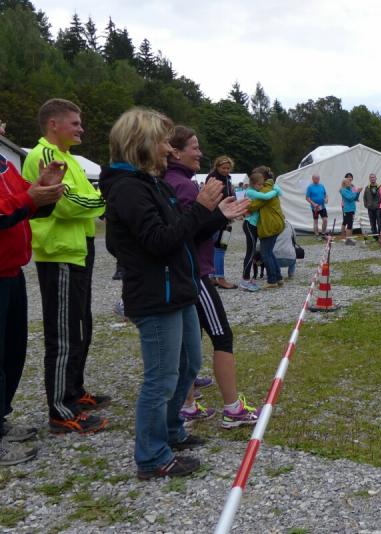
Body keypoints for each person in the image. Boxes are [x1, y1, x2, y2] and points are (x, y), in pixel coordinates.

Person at [98, 107, 248, 479]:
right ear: (143, 143)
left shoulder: (152, 183)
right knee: (161, 378)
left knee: (188, 366)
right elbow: (159, 240)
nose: (168, 148)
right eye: (163, 141)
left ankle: (170, 431)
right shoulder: (129, 189)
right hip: (156, 296)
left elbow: (182, 231)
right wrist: (201, 208)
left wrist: (214, 214)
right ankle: (151, 457)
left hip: (177, 290)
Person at [0, 93, 66, 466]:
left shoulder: (0, 163)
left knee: (11, 353)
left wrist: (44, 193)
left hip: (10, 273)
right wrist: (30, 200)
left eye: (0, 124)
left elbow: (24, 207)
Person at [22, 98, 109, 434]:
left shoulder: (69, 157)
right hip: (58, 252)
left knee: (80, 327)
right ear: (53, 124)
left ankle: (75, 391)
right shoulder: (45, 156)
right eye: (75, 123)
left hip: (78, 248)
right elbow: (70, 203)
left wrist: (96, 201)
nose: (81, 128)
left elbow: (83, 199)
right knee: (62, 334)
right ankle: (60, 410)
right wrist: (105, 200)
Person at [162, 126, 259, 428]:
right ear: (176, 152)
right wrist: (220, 216)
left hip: (186, 271)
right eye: (194, 147)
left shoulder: (171, 181)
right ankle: (232, 408)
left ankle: (188, 405)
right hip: (195, 274)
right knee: (221, 336)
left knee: (187, 342)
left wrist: (219, 213)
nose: (200, 153)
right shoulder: (184, 186)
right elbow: (189, 232)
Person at [240, 170, 281, 292]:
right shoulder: (251, 191)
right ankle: (245, 280)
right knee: (251, 253)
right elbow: (265, 197)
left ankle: (249, 279)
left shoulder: (260, 190)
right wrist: (276, 190)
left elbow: (256, 204)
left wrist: (276, 189)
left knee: (258, 252)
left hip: (255, 225)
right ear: (253, 184)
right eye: (259, 184)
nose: (261, 186)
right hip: (250, 225)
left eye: (262, 184)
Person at [249, 167, 285, 289]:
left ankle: (272, 280)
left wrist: (245, 200)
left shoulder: (264, 191)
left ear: (262, 178)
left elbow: (252, 206)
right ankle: (278, 278)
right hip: (276, 223)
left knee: (265, 254)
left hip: (270, 225)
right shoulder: (271, 188)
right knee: (269, 252)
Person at [206, 156, 237, 289]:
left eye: (228, 168)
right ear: (217, 167)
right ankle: (220, 278)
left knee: (215, 247)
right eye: (223, 168)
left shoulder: (227, 179)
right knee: (219, 248)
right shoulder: (213, 179)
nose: (226, 170)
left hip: (224, 218)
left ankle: (212, 276)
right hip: (217, 217)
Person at [339, 175, 362, 245]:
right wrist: (356, 192)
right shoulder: (343, 190)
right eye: (348, 182)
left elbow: (355, 197)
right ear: (345, 183)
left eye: (350, 182)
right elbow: (350, 198)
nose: (350, 183)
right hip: (347, 209)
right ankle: (347, 239)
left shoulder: (351, 188)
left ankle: (349, 238)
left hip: (352, 209)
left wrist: (358, 192)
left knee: (350, 223)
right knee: (348, 223)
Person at [305, 173, 328, 238]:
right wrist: (313, 204)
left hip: (322, 206)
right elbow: (307, 198)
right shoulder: (310, 187)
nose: (317, 180)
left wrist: (326, 199)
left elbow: (325, 194)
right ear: (313, 179)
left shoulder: (322, 186)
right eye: (316, 178)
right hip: (315, 207)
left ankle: (323, 233)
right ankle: (316, 234)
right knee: (316, 221)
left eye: (318, 178)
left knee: (325, 220)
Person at [363, 173, 380, 241]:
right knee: (372, 223)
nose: (372, 179)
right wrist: (366, 205)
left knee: (379, 222)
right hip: (370, 208)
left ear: (376, 178)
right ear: (369, 179)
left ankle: (380, 236)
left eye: (373, 177)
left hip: (378, 208)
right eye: (371, 177)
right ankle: (375, 237)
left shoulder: (380, 187)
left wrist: (380, 205)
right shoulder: (367, 188)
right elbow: (364, 197)